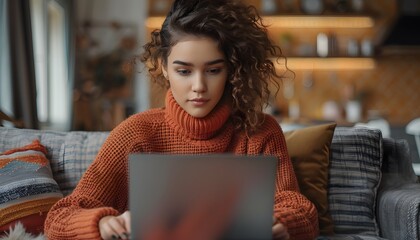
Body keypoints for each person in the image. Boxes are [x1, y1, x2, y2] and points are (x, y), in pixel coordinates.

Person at [44, 0, 319, 239]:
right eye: (184, 71)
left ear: (231, 70)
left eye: (213, 70)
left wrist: (283, 223)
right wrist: (102, 223)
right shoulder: (135, 133)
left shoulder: (260, 131)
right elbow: (60, 218)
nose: (199, 86)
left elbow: (298, 208)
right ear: (164, 68)